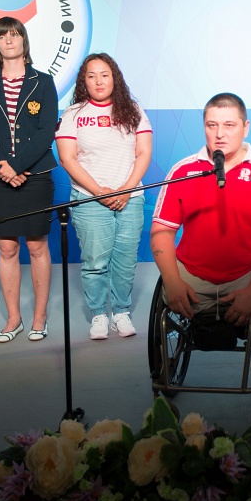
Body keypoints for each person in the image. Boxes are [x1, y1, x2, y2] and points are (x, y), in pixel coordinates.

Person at [150, 93, 251, 328]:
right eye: (212, 125)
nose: (219, 134)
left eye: (229, 125)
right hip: (191, 278)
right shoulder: (181, 172)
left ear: (245, 128)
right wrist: (172, 282)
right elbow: (161, 232)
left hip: (247, 277)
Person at [0, 17, 57, 343]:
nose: (9, 40)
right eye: (2, 36)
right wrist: (3, 168)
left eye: (14, 34)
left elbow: (46, 131)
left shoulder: (43, 81)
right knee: (6, 248)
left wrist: (18, 166)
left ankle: (39, 317)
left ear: (24, 40)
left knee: (36, 245)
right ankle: (13, 318)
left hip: (35, 175)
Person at [56, 53, 152, 340]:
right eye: (91, 75)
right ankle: (98, 314)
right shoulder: (73, 114)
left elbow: (144, 152)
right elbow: (67, 159)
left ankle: (121, 312)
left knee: (125, 260)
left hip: (130, 197)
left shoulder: (133, 110)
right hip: (88, 198)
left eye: (104, 74)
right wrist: (99, 192)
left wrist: (128, 189)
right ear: (83, 81)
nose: (99, 81)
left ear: (114, 78)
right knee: (95, 261)